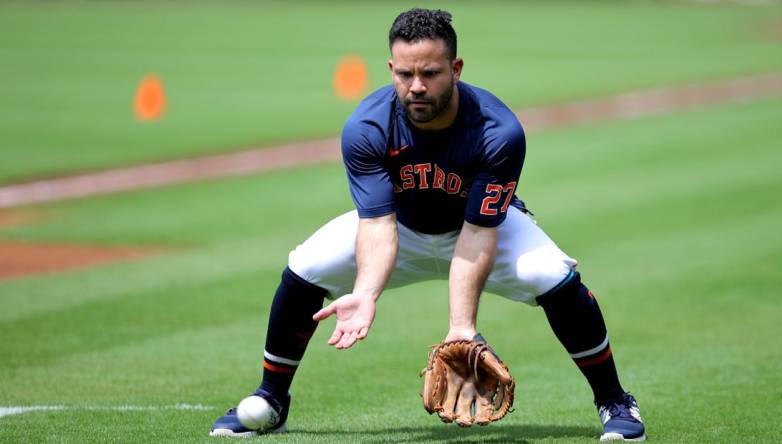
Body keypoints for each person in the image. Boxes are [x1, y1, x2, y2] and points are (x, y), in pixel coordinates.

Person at [210, 8, 646, 442]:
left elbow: (477, 235)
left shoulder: (497, 131)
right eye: (404, 74)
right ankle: (272, 400)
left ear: (455, 69)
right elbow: (378, 226)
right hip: (402, 228)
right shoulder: (366, 127)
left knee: (550, 275)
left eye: (430, 73)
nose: (416, 86)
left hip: (478, 230)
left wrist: (462, 329)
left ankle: (615, 401)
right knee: (306, 265)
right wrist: (364, 293)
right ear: (390, 69)